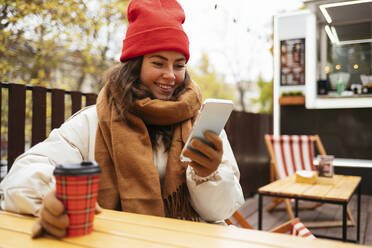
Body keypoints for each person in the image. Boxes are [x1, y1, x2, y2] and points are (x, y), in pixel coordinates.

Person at [0, 0, 244, 238]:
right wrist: (53, 196)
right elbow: (20, 177)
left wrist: (209, 175)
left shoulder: (201, 123)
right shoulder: (94, 121)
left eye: (178, 65)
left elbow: (220, 211)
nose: (170, 75)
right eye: (158, 63)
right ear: (135, 66)